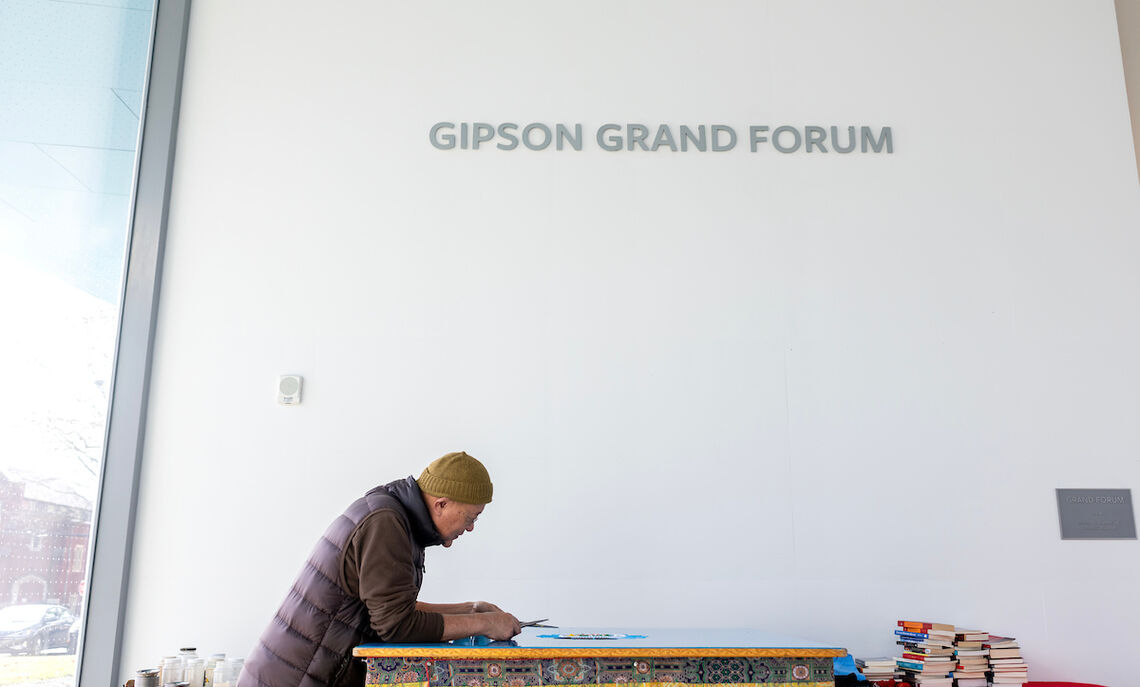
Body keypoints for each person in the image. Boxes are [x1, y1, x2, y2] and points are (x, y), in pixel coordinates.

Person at [238, 452, 521, 687]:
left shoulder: (395, 517)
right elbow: (396, 626)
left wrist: (471, 609)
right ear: (441, 504)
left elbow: (390, 609)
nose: (470, 527)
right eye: (471, 517)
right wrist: (486, 624)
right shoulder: (385, 523)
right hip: (293, 680)